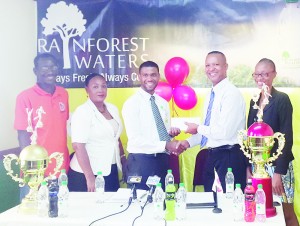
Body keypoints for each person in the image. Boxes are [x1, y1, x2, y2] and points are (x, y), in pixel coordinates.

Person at [177, 51, 249, 192]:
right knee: (212, 202)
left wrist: (198, 128)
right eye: (208, 65)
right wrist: (187, 143)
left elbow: (224, 132)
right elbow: (207, 129)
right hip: (212, 156)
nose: (211, 69)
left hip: (229, 157)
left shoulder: (231, 94)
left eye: (216, 64)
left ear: (226, 66)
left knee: (230, 204)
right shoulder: (211, 94)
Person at [248, 58, 298, 226]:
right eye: (256, 74)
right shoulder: (253, 101)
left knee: (286, 212)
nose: (259, 78)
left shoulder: (282, 99)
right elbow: (249, 136)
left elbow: (287, 137)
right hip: (258, 167)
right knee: (262, 211)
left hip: (278, 166)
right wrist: (249, 167)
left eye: (264, 74)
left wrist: (278, 173)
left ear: (274, 75)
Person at [14, 53, 69, 200]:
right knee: (32, 217)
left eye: (53, 66)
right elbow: (23, 135)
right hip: (35, 172)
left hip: (61, 169)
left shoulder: (63, 94)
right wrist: (33, 170)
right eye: (45, 67)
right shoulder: (24, 97)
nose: (50, 70)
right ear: (35, 71)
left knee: (59, 214)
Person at [122, 61, 184, 190]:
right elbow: (135, 139)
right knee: (141, 203)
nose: (149, 79)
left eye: (153, 75)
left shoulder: (163, 103)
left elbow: (162, 134)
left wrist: (171, 136)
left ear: (158, 76)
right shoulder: (132, 104)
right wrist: (167, 145)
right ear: (139, 76)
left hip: (162, 160)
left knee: (163, 202)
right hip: (141, 163)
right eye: (145, 75)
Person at [68, 73, 126, 192]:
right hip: (86, 174)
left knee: (112, 209)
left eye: (103, 86)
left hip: (111, 169)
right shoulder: (82, 111)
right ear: (87, 89)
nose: (100, 90)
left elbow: (115, 137)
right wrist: (89, 178)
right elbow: (78, 146)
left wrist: (122, 158)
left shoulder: (112, 108)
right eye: (95, 87)